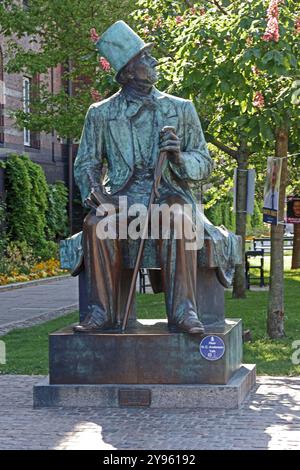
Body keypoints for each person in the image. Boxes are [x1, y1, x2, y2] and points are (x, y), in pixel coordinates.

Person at [73, 21, 239, 334]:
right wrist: (97, 194)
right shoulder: (100, 113)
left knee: (176, 219)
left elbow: (204, 163)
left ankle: (184, 313)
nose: (154, 62)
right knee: (96, 224)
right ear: (128, 72)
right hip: (122, 197)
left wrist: (178, 157)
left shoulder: (181, 109)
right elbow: (86, 163)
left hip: (169, 194)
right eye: (145, 58)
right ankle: (101, 315)